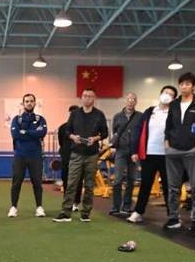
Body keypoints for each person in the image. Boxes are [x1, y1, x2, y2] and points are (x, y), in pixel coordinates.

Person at [53, 88, 109, 222]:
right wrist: (73, 137)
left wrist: (95, 138)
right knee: (71, 183)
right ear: (81, 98)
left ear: (94, 98)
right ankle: (65, 213)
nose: (87, 98)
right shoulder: (75, 114)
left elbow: (105, 133)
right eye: (85, 96)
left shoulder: (99, 115)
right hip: (76, 154)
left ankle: (85, 213)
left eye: (90, 96)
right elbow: (67, 131)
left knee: (89, 185)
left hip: (92, 155)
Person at [126, 85, 177, 224]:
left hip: (167, 155)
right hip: (149, 154)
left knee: (168, 186)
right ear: (160, 94)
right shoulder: (149, 111)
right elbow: (138, 131)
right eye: (165, 92)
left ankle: (172, 215)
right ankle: (138, 212)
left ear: (173, 99)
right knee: (145, 184)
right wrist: (134, 151)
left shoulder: (174, 113)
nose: (167, 95)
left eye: (171, 94)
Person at [164, 72, 195, 230]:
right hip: (173, 149)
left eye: (187, 84)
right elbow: (168, 125)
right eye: (181, 84)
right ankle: (173, 218)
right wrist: (167, 143)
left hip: (193, 150)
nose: (184, 87)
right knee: (173, 187)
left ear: (193, 86)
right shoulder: (173, 104)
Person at [8, 93, 48, 218]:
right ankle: (13, 207)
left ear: (35, 103)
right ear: (23, 103)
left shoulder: (40, 119)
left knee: (37, 182)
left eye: (31, 101)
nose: (29, 103)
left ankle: (39, 207)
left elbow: (42, 133)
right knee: (16, 182)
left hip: (35, 156)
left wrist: (25, 132)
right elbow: (15, 135)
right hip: (20, 155)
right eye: (27, 101)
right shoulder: (17, 119)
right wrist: (33, 133)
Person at [109, 93, 141, 215]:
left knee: (131, 179)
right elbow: (114, 132)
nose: (131, 101)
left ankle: (126, 206)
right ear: (125, 101)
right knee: (117, 179)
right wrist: (114, 146)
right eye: (129, 99)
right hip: (121, 150)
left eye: (133, 99)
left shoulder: (140, 116)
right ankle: (115, 206)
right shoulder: (117, 116)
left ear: (136, 102)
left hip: (134, 152)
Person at [57, 105, 83, 211]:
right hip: (66, 157)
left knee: (78, 180)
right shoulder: (62, 128)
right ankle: (67, 201)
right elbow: (61, 142)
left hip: (79, 157)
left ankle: (76, 202)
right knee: (65, 179)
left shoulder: (82, 128)